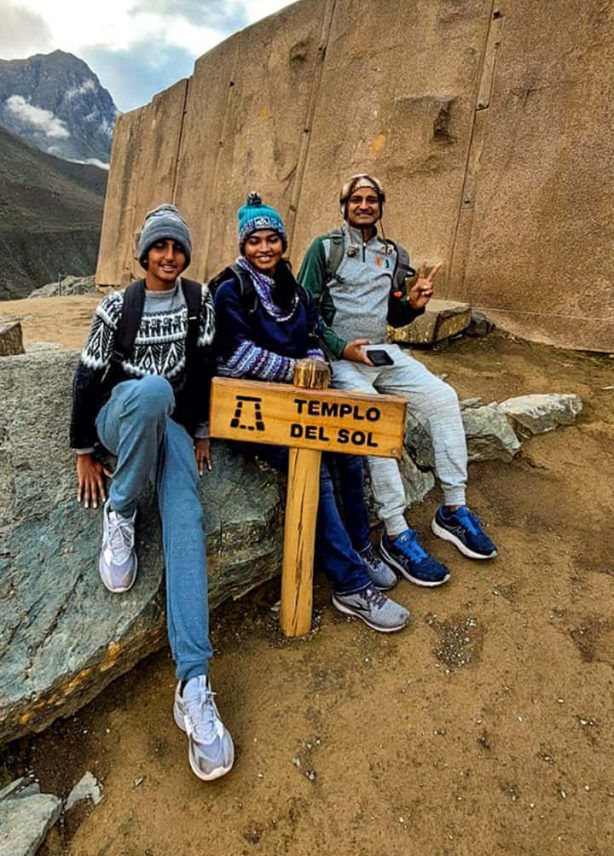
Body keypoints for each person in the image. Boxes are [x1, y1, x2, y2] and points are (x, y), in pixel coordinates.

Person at [70, 203, 234, 782]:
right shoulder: (119, 306)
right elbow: (89, 377)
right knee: (152, 392)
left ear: (186, 254)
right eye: (159, 248)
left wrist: (203, 432)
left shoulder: (199, 303)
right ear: (143, 253)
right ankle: (120, 512)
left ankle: (193, 683)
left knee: (186, 521)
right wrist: (85, 449)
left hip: (170, 427)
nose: (168, 257)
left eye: (177, 248)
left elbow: (207, 365)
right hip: (124, 413)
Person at [212, 192, 410, 633]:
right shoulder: (231, 290)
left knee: (348, 450)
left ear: (283, 243)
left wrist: (315, 362)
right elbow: (235, 356)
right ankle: (351, 585)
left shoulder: (293, 289)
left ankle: (360, 546)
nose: (264, 249)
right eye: (255, 241)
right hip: (254, 411)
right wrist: (297, 371)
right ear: (243, 247)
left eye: (272, 240)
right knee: (313, 466)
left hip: (299, 401)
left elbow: (311, 338)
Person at [298, 174, 497, 587]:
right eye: (357, 199)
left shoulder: (393, 253)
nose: (365, 205)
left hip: (383, 352)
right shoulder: (325, 248)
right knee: (377, 419)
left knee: (443, 398)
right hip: (342, 358)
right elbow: (306, 308)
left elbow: (394, 315)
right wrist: (340, 346)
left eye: (372, 199)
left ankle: (453, 511)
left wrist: (414, 305)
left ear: (381, 206)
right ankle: (395, 531)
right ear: (345, 205)